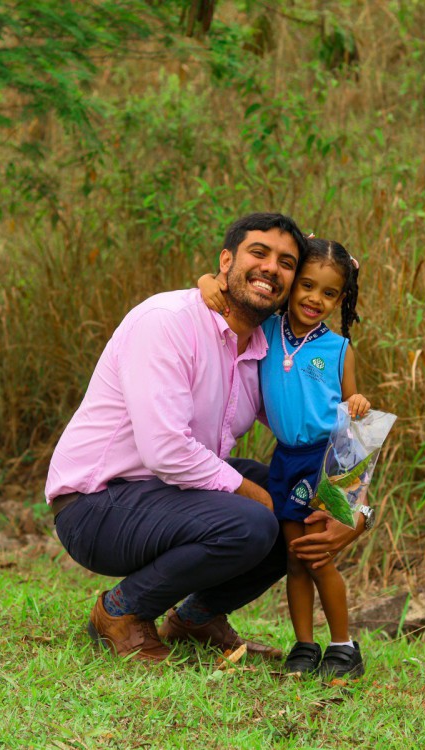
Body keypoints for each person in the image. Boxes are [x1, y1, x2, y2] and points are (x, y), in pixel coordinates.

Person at [46, 213, 370, 665]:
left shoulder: (263, 346)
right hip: (96, 503)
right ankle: (120, 612)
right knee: (261, 515)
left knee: (290, 498)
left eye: (286, 262)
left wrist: (350, 505)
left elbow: (314, 425)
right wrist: (263, 500)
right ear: (226, 260)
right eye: (259, 253)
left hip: (165, 493)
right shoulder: (168, 322)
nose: (271, 268)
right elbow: (167, 451)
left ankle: (196, 618)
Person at [197, 237, 373, 677]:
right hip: (287, 459)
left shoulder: (338, 350)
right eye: (307, 286)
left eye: (329, 293)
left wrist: (360, 404)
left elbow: (354, 415)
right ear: (292, 284)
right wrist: (206, 281)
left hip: (328, 460)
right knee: (295, 557)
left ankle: (343, 646)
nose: (315, 299)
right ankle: (304, 646)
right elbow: (221, 295)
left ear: (341, 298)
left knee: (319, 557)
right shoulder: (268, 330)